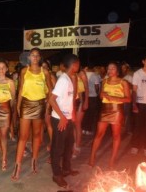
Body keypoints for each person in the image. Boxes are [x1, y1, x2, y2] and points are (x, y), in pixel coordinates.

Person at [12, 47, 52, 180]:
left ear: (40, 58)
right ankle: (17, 165)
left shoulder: (45, 72)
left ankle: (34, 159)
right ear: (29, 57)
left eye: (37, 55)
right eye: (32, 55)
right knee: (23, 136)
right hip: (26, 104)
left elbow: (50, 91)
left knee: (36, 135)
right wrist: (18, 106)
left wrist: (47, 107)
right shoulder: (24, 71)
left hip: (39, 105)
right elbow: (21, 88)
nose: (34, 57)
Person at [89, 62, 130, 168]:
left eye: (113, 68)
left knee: (116, 136)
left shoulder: (123, 82)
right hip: (104, 110)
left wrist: (114, 98)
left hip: (117, 111)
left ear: (117, 70)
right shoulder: (104, 81)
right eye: (109, 68)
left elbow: (128, 99)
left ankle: (112, 159)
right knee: (99, 134)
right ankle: (92, 156)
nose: (110, 70)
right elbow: (101, 96)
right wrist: (102, 95)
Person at [49, 54, 80, 188]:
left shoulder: (70, 78)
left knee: (68, 145)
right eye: (78, 64)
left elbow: (69, 101)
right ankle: (56, 175)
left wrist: (71, 115)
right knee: (58, 148)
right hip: (59, 119)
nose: (79, 66)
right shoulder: (63, 80)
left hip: (67, 119)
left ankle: (66, 169)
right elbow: (51, 100)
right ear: (74, 65)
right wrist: (62, 117)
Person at [73, 68, 89, 158]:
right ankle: (74, 144)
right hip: (72, 100)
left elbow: (86, 87)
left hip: (81, 99)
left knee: (77, 124)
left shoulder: (81, 73)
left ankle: (77, 147)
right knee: (72, 124)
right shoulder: (70, 72)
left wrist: (86, 101)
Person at [82, 65, 101, 135]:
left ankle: (83, 128)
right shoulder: (95, 75)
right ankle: (88, 129)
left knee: (86, 113)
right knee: (91, 114)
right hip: (93, 96)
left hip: (85, 96)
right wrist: (98, 94)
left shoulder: (83, 74)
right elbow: (96, 86)